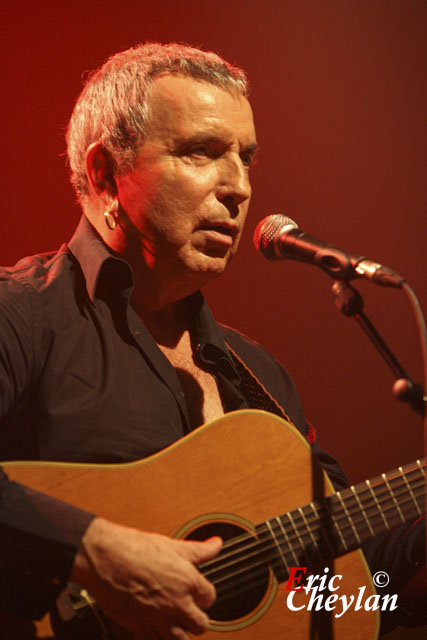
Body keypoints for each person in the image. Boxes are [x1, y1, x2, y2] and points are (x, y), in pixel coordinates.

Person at [0, 43, 424, 639]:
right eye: (202, 151)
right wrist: (92, 550)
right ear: (104, 176)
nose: (239, 187)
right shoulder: (20, 316)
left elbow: (343, 587)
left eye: (246, 159)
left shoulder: (257, 374)